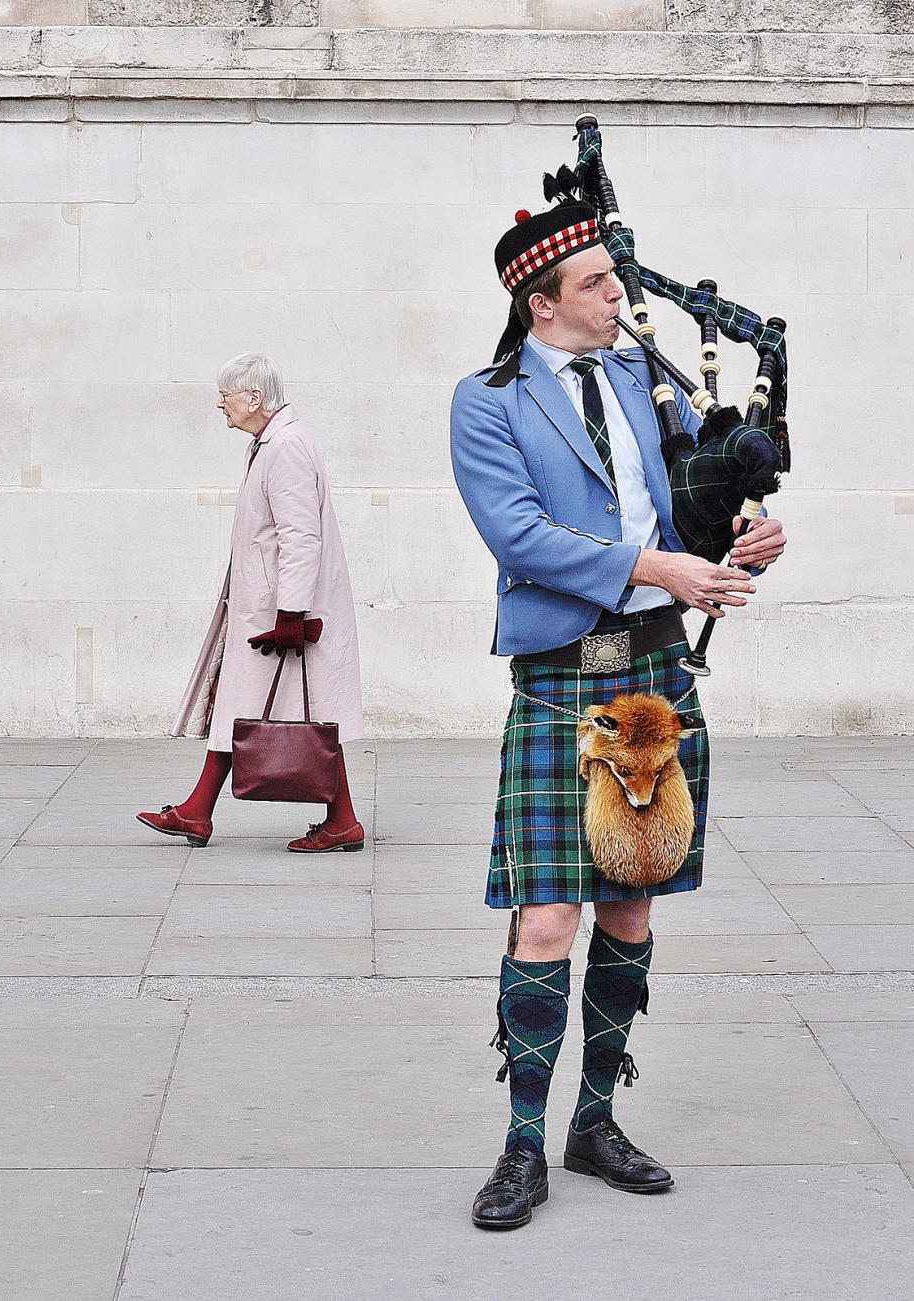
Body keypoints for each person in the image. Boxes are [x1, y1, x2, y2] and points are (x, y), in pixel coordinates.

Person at [450, 204, 786, 1229]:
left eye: (613, 279)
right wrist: (652, 565)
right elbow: (519, 533)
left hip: (652, 672)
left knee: (633, 904)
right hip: (563, 677)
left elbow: (693, 508)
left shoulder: (648, 384)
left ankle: (593, 1122)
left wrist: (744, 533)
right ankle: (521, 1145)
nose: (619, 297)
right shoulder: (488, 401)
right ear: (540, 301)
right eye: (597, 284)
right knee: (548, 913)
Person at [138, 352, 364, 854]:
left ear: (255, 397)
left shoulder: (285, 446)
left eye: (226, 395)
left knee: (303, 714)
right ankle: (201, 810)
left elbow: (300, 536)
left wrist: (291, 612)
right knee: (269, 709)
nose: (221, 404)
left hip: (279, 612)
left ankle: (337, 820)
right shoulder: (272, 443)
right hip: (265, 606)